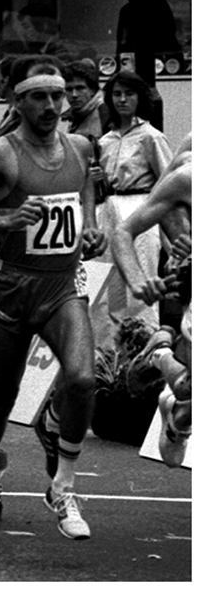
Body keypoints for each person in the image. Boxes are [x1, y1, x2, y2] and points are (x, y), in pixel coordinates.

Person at [0, 56, 102, 542]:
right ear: (17, 100)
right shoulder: (1, 155)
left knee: (81, 378)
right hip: (14, 287)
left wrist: (91, 229)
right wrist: (4, 222)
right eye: (40, 96)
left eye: (58, 95)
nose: (53, 104)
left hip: (61, 285)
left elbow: (85, 192)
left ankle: (63, 486)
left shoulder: (78, 146)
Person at [109, 137, 191, 467]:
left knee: (190, 395)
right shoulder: (189, 173)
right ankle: (159, 356)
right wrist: (139, 279)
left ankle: (178, 409)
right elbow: (124, 232)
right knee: (191, 387)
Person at [96, 68, 172, 325]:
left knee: (141, 275)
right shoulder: (105, 140)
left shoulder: (151, 136)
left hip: (140, 206)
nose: (122, 100)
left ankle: (149, 345)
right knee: (110, 282)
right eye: (116, 94)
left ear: (139, 98)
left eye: (129, 94)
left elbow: (168, 180)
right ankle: (114, 353)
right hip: (110, 207)